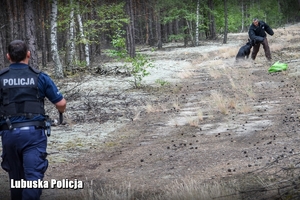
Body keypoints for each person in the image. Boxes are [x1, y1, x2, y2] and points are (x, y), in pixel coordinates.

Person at [0, 40, 67, 200]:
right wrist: (60, 113)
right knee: (32, 180)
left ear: (8, 56)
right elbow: (61, 103)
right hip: (33, 135)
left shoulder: (1, 78)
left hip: (9, 134)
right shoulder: (39, 77)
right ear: (28, 54)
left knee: (16, 180)